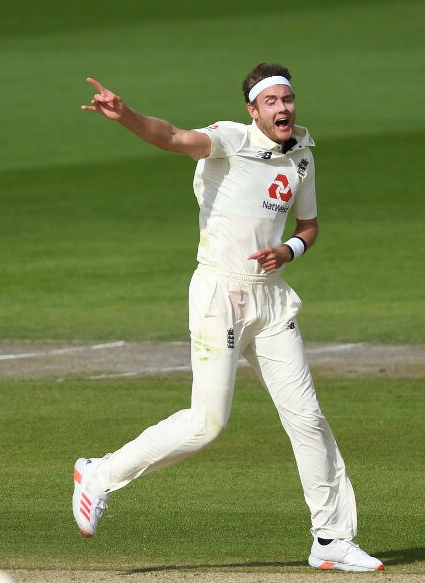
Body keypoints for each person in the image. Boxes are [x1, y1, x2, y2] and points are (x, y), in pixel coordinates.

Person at [73, 63, 384, 572]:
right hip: (220, 293)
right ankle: (100, 474)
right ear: (253, 110)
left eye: (287, 99)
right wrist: (125, 114)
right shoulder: (230, 139)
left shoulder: (302, 156)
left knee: (308, 420)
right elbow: (172, 137)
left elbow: (308, 225)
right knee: (207, 423)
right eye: (271, 102)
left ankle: (331, 539)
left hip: (272, 300)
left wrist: (287, 250)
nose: (283, 108)